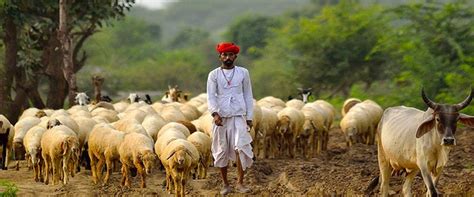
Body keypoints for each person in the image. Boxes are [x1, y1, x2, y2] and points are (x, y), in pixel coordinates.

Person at [206, 42, 254, 195]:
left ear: (235, 57)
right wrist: (215, 114)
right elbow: (210, 96)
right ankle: (225, 184)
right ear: (220, 56)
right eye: (224, 55)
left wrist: (249, 117)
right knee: (221, 150)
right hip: (221, 117)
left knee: (241, 148)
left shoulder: (243, 73)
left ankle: (240, 183)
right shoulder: (213, 75)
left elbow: (248, 94)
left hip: (239, 115)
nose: (228, 57)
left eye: (230, 55)